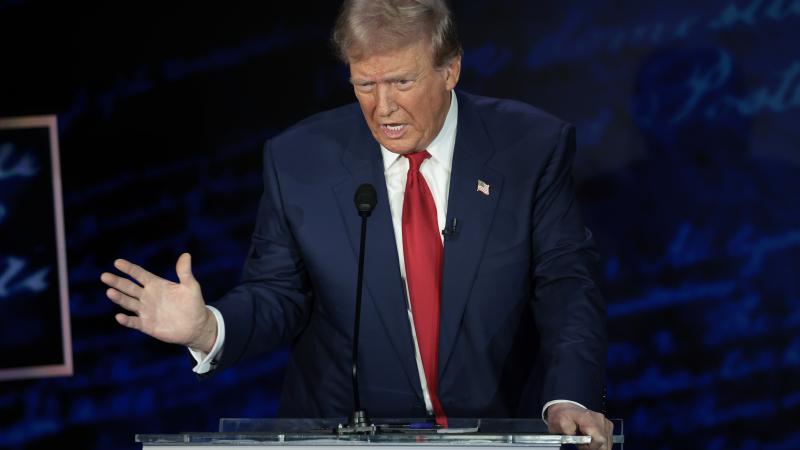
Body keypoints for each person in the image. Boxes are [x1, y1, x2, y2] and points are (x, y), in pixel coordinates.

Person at [100, 0, 613, 448]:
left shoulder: (530, 147)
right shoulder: (299, 160)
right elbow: (278, 293)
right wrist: (208, 327)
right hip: (343, 437)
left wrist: (568, 397)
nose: (382, 107)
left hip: (495, 432)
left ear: (450, 69)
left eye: (402, 82)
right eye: (364, 84)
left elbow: (566, 286)